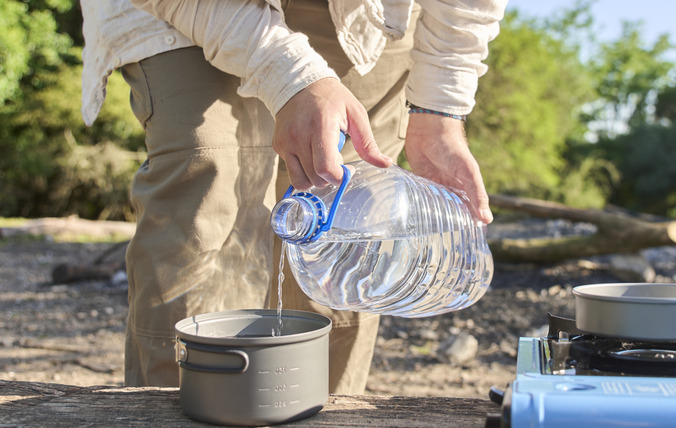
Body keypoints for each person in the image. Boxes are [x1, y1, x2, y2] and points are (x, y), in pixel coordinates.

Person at [79, 0, 505, 393]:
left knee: (350, 217)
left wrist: (440, 112)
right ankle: (181, 418)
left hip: (370, 12)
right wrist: (292, 77)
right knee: (209, 183)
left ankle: (324, 421)